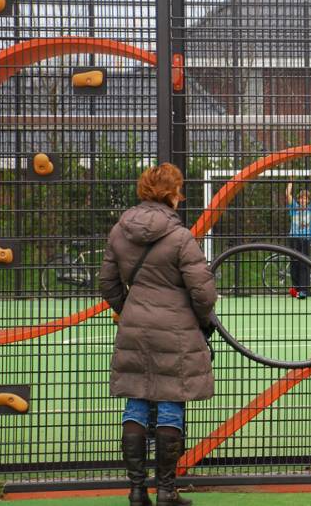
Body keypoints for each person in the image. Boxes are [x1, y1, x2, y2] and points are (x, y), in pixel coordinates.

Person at [99, 163, 217, 506]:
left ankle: (137, 490)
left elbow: (107, 283)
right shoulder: (180, 237)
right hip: (175, 331)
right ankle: (166, 490)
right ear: (171, 194)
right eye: (178, 190)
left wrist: (128, 308)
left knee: (136, 402)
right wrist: (201, 319)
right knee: (169, 405)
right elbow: (203, 293)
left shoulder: (120, 232)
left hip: (134, 329)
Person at [285, 181, 311, 299]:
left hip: (306, 239)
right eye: (302, 198)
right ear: (299, 200)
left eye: (305, 198)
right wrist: (291, 181)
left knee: (305, 264)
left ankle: (304, 290)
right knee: (294, 263)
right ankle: (296, 290)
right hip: (294, 238)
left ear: (308, 200)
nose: (303, 200)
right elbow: (288, 194)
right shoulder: (294, 208)